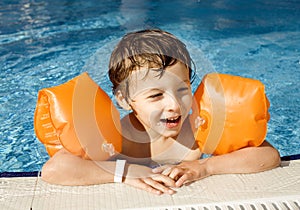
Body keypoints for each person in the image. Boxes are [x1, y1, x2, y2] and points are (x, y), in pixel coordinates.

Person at [41, 29, 280, 195]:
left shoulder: (198, 130)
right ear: (125, 100)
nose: (174, 105)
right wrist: (123, 173)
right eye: (156, 95)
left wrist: (205, 168)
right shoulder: (116, 139)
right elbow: (54, 170)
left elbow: (268, 156)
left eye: (182, 89)